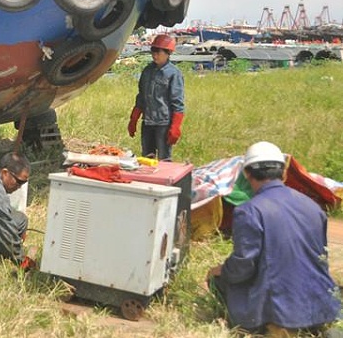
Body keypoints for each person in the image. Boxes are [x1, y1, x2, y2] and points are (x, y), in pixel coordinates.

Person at [207, 141, 341, 334]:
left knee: (218, 279)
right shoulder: (312, 207)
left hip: (281, 311)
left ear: (247, 174)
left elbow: (243, 267)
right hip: (320, 307)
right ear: (284, 173)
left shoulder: (249, 211)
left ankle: (266, 326)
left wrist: (218, 271)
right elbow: (319, 257)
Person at [127, 33, 185, 160]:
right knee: (147, 158)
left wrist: (175, 127)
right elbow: (141, 97)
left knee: (164, 160)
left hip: (163, 124)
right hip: (147, 123)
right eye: (153, 50)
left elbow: (178, 103)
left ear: (168, 53)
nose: (154, 54)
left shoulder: (174, 74)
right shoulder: (147, 71)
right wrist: (134, 119)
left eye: (158, 51)